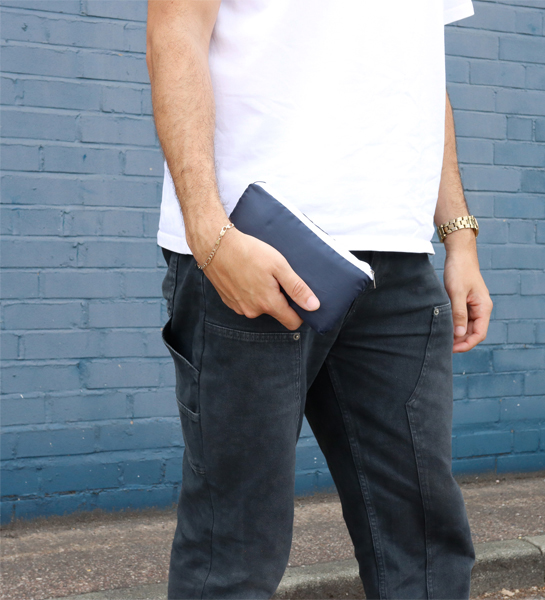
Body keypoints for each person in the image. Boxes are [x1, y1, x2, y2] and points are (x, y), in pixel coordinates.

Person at [146, 1, 493, 598]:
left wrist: (458, 237)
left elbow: (419, 73)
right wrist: (208, 232)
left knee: (425, 539)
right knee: (233, 549)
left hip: (399, 260)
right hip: (256, 249)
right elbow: (175, 29)